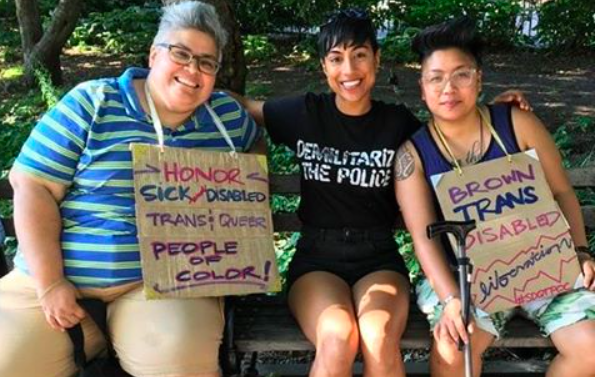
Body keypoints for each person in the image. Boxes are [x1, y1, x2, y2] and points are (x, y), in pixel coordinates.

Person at [236, 10, 528, 377]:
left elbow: (449, 135)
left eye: (359, 54)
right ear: (324, 66)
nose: (349, 70)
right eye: (336, 58)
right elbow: (242, 107)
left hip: (378, 257)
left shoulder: (397, 123)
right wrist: (182, 82)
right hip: (316, 260)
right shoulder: (304, 113)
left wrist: (492, 112)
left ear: (376, 58)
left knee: (377, 335)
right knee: (337, 337)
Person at [0, 2, 262, 377]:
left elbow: (255, 148)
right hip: (53, 282)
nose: (193, 70)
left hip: (166, 286)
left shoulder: (225, 118)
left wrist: (247, 191)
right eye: (181, 54)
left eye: (207, 62)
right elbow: (33, 186)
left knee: (181, 364)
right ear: (154, 54)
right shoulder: (92, 101)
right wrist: (51, 283)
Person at [394, 17, 595, 377]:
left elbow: (562, 191)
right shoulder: (414, 155)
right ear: (422, 88)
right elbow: (424, 240)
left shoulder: (517, 124)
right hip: (466, 277)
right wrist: (451, 300)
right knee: (453, 348)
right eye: (436, 77)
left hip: (544, 262)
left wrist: (580, 251)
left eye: (462, 74)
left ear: (479, 79)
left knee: (592, 349)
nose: (449, 88)